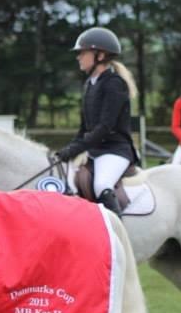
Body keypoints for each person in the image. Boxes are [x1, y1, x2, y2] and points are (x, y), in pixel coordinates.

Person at [54, 26, 140, 216]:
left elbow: (104, 127)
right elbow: (84, 129)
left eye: (82, 53)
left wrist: (75, 150)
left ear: (100, 56)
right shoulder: (90, 85)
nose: (78, 57)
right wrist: (66, 150)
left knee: (102, 184)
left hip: (115, 151)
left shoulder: (115, 84)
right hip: (95, 151)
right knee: (66, 178)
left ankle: (118, 234)